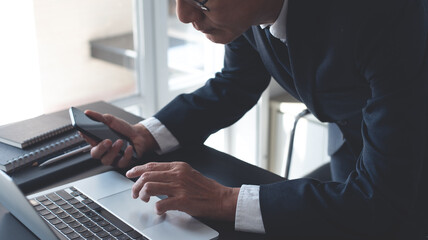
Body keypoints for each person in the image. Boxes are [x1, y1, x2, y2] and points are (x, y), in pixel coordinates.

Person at [82, 0, 428, 238]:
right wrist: (149, 134)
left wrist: (222, 200)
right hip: (352, 142)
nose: (184, 15)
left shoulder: (386, 16)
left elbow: (380, 201)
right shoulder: (248, 13)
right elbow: (237, 82)